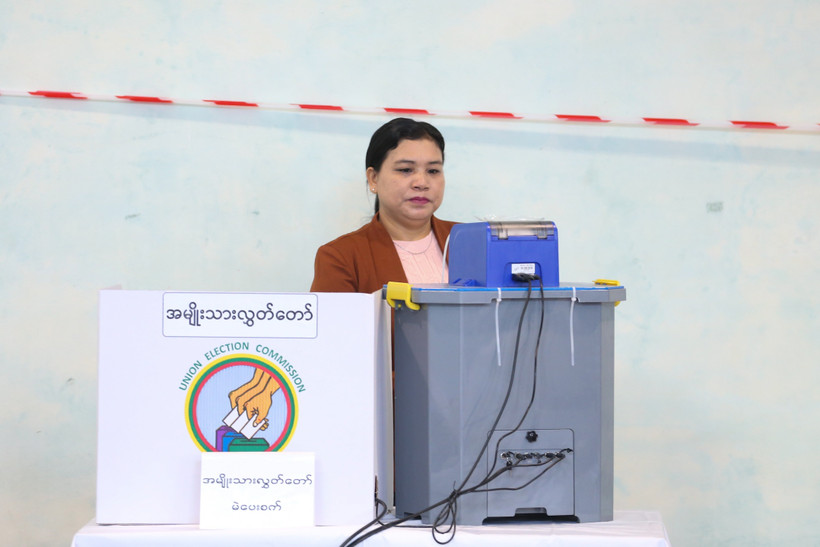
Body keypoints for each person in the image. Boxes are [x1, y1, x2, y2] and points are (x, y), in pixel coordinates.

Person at [311, 118, 456, 293]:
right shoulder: (341, 257)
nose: (422, 182)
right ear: (373, 178)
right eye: (405, 170)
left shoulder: (474, 242)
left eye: (433, 171)